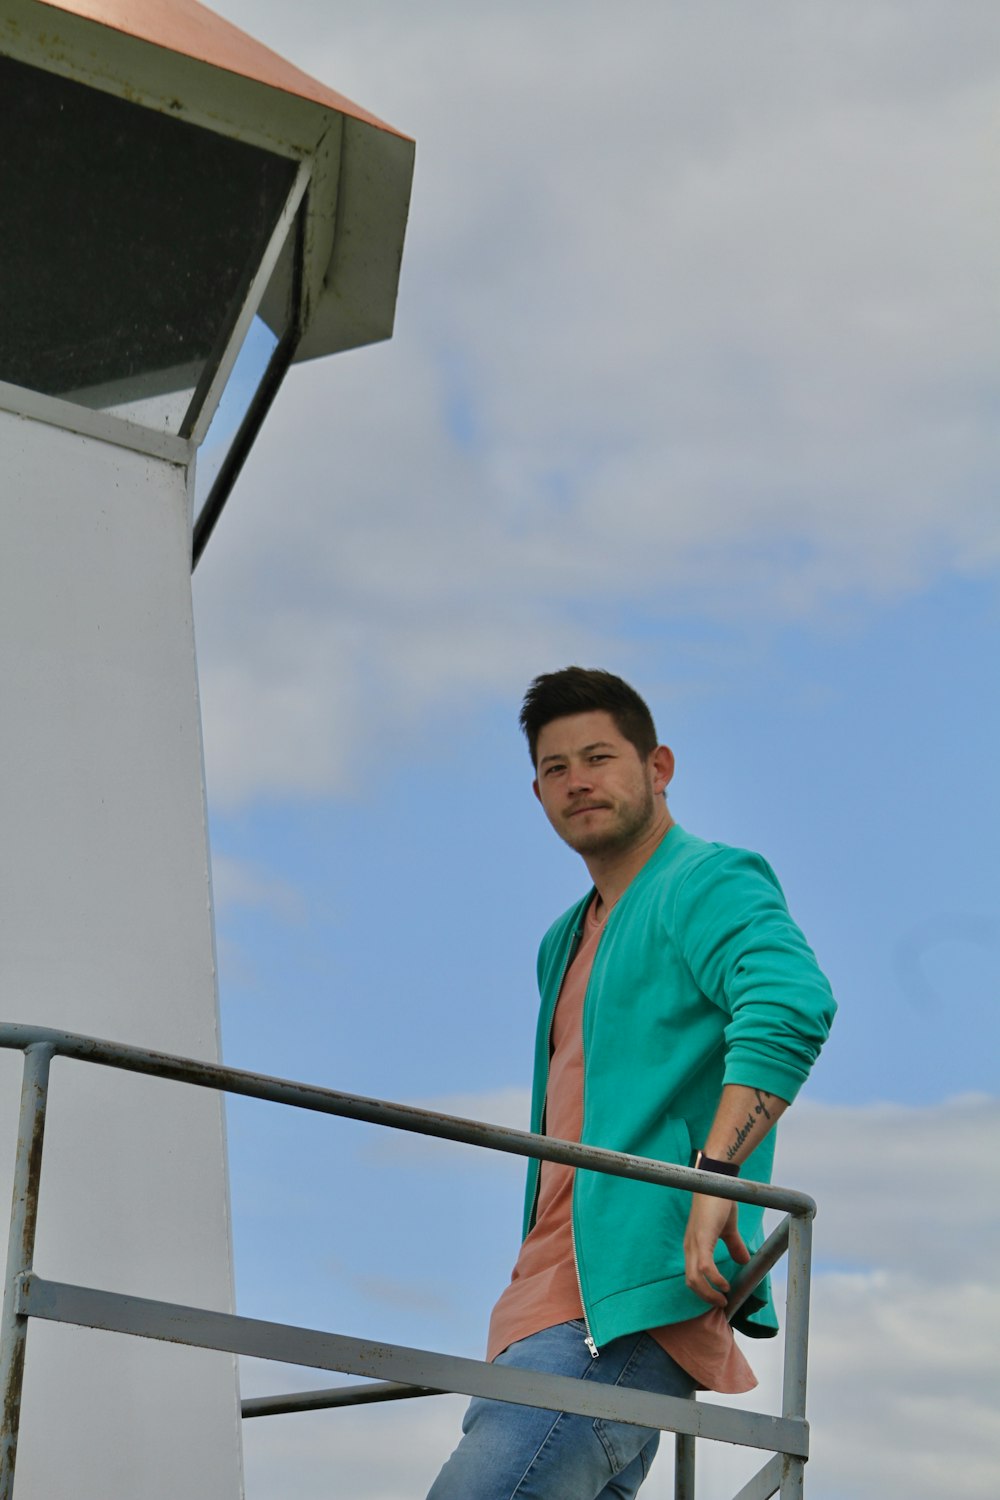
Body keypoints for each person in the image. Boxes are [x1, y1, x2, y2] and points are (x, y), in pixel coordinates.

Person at [427, 667, 836, 1500]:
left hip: (628, 1295)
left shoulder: (707, 880)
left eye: (600, 757)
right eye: (554, 768)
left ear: (659, 767)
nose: (577, 780)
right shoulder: (563, 939)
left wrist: (714, 1175)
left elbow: (792, 1002)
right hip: (537, 1299)